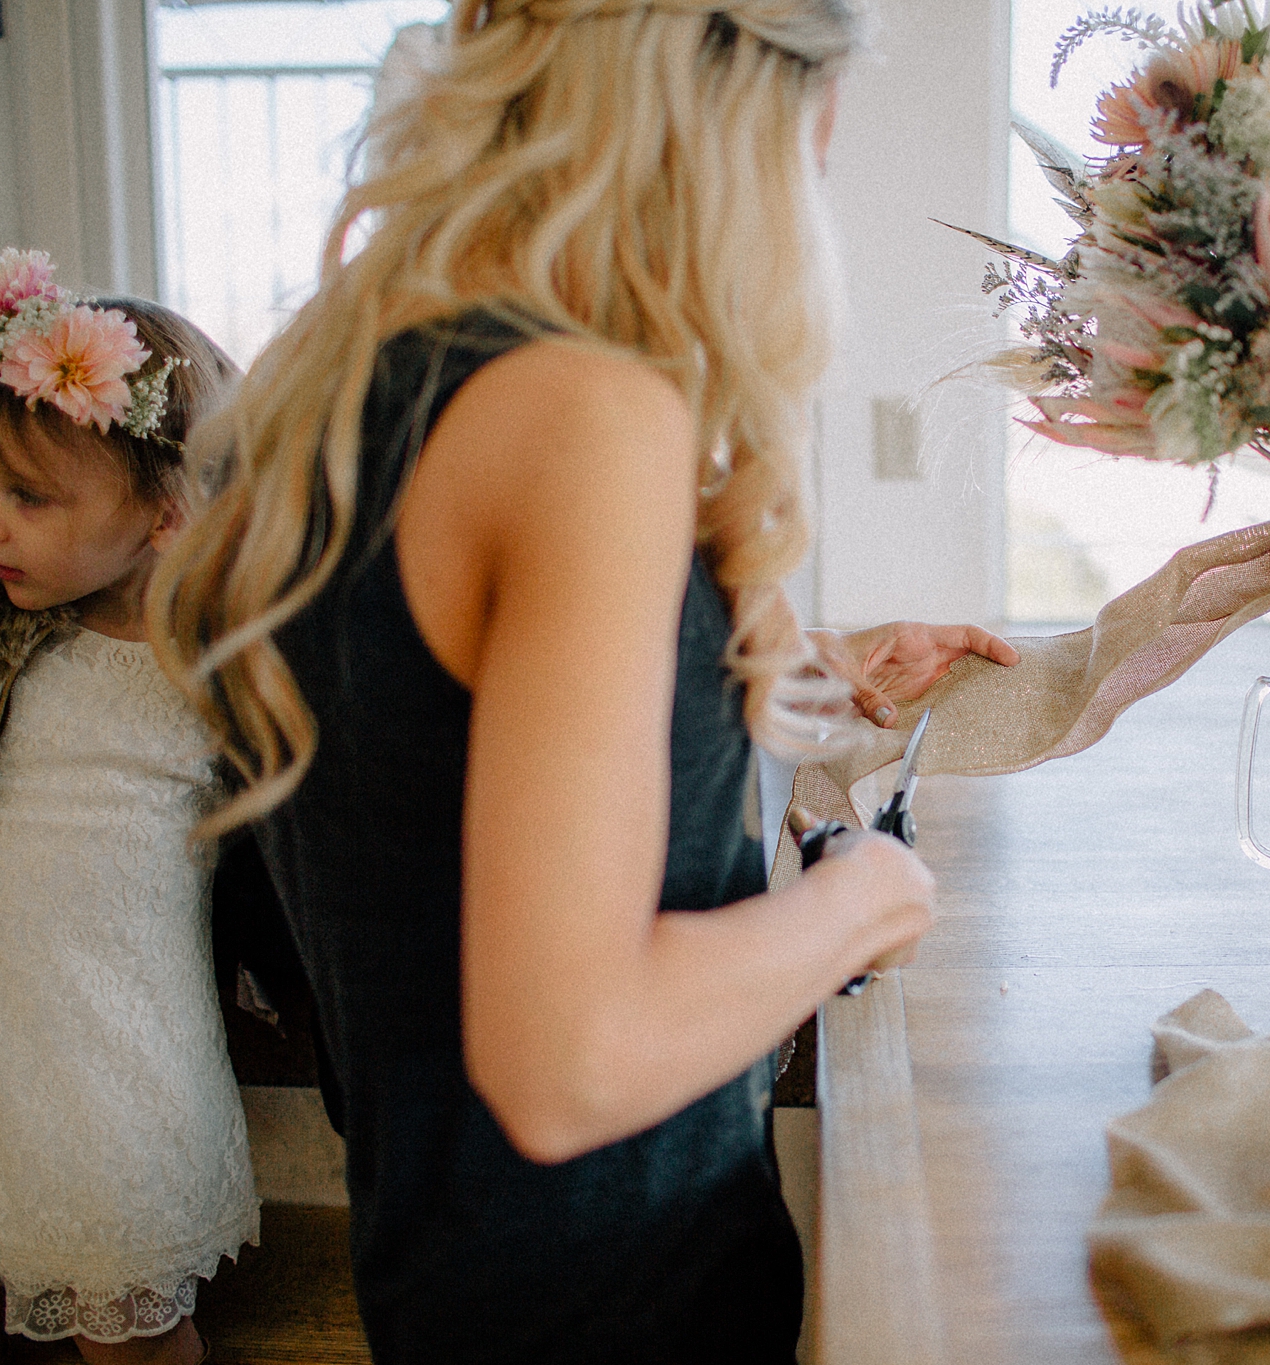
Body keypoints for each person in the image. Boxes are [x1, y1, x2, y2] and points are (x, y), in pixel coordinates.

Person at [149, 2, 1011, 1360]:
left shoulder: (352, 360)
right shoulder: (584, 413)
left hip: (446, 1272)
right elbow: (571, 1062)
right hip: (617, 1300)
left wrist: (810, 681)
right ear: (741, 113)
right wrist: (865, 898)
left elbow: (470, 758)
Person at [0, 250, 251, 1365]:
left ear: (165, 511)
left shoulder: (223, 654)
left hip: (117, 1052)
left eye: (29, 496)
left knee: (129, 1333)